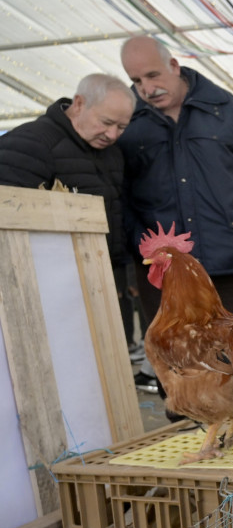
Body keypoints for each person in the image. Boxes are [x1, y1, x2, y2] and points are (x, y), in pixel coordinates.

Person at [118, 36, 233, 393]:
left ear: (174, 65)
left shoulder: (224, 107)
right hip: (168, 275)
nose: (146, 88)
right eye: (136, 81)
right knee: (179, 369)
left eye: (152, 75)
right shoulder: (129, 119)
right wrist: (136, 245)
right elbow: (121, 190)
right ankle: (189, 442)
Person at [0, 72, 140, 379]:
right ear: (78, 104)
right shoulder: (30, 143)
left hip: (98, 287)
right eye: (106, 122)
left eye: (122, 126)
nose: (113, 134)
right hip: (48, 294)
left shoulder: (112, 153)